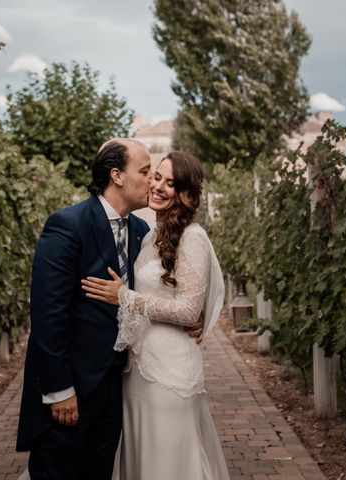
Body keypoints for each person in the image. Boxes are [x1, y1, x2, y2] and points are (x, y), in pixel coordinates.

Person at [16, 139, 203, 480]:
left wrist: (189, 316)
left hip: (117, 389)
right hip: (70, 392)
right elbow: (47, 316)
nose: (152, 182)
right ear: (117, 175)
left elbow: (154, 290)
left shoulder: (142, 231)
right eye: (145, 172)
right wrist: (59, 391)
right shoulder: (67, 225)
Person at [81, 151, 230, 480]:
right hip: (138, 371)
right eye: (156, 177)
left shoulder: (193, 237)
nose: (159, 186)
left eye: (171, 183)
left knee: (168, 463)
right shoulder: (150, 235)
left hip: (170, 375)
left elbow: (188, 309)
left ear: (186, 193)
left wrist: (126, 297)